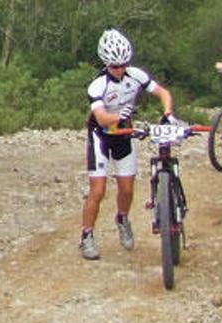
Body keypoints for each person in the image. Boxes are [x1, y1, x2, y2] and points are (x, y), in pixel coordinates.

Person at [80, 28, 176, 261]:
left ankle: (122, 219)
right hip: (101, 136)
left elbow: (163, 93)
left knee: (127, 189)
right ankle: (86, 235)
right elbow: (101, 117)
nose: (120, 70)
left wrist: (168, 113)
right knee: (98, 189)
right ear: (106, 63)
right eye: (115, 66)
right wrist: (117, 116)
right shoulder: (98, 85)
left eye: (124, 64)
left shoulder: (136, 75)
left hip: (124, 134)